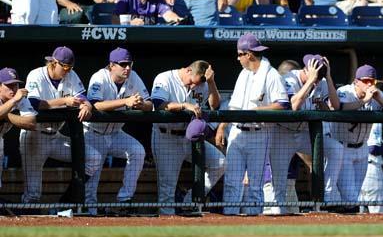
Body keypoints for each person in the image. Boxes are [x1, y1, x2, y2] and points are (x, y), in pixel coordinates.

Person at [21, 46, 102, 203]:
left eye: (70, 67)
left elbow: (83, 98)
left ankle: (65, 202)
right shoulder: (36, 75)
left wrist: (87, 106)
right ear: (53, 63)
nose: (67, 70)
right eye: (64, 66)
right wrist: (64, 101)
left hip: (55, 136)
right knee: (33, 194)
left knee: (94, 158)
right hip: (34, 137)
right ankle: (26, 223)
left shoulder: (71, 75)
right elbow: (34, 103)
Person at [221, 33, 289, 216]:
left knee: (255, 184)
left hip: (259, 132)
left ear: (248, 54)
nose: (238, 58)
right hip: (236, 131)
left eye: (239, 54)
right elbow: (233, 105)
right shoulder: (244, 74)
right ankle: (229, 218)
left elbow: (283, 105)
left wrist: (257, 110)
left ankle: (253, 222)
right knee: (232, 181)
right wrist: (221, 126)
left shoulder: (272, 74)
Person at [267, 54, 339, 214]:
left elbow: (335, 106)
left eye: (321, 76)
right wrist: (310, 82)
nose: (319, 80)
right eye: (317, 75)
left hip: (305, 133)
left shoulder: (322, 81)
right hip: (283, 133)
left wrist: (328, 76)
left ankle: (326, 194)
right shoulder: (289, 78)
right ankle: (276, 213)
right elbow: (293, 106)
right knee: (279, 182)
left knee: (335, 149)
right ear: (307, 69)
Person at [83, 48, 152, 215]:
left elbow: (150, 104)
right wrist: (125, 101)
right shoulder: (99, 77)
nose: (127, 68)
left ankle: (125, 199)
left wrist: (140, 104)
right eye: (123, 65)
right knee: (91, 184)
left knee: (138, 151)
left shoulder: (133, 77)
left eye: (129, 64)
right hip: (93, 133)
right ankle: (87, 213)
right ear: (112, 65)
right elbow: (95, 105)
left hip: (115, 134)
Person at [150, 60, 224, 215]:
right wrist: (184, 105)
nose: (193, 86)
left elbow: (215, 106)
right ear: (188, 70)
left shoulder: (203, 83)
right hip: (166, 137)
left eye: (196, 84)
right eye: (191, 82)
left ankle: (188, 201)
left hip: (188, 138)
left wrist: (211, 82)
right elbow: (158, 104)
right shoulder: (165, 78)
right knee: (167, 189)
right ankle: (166, 226)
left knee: (221, 163)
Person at [325, 65, 383, 207]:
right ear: (356, 81)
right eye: (365, 81)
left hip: (362, 149)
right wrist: (364, 101)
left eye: (372, 81)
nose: (369, 84)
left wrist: (380, 99)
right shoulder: (344, 91)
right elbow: (339, 107)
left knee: (354, 196)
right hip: (343, 149)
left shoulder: (375, 94)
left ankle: (345, 219)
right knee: (351, 197)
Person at [0, 68, 37, 188]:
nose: (13, 89)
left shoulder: (20, 98)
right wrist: (14, 101)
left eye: (15, 85)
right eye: (8, 85)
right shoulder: (16, 98)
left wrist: (6, 114)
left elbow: (31, 123)